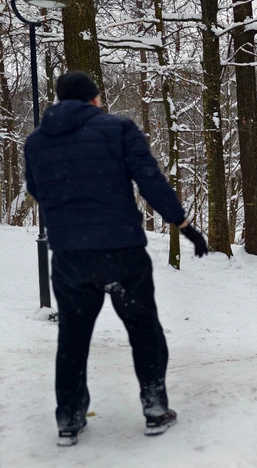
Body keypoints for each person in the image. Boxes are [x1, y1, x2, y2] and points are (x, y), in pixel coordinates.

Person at [24, 71, 209, 446]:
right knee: (144, 329)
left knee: (73, 337)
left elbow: (36, 188)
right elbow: (150, 180)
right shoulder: (118, 129)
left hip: (70, 257)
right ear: (94, 99)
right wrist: (183, 224)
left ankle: (69, 419)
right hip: (122, 251)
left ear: (59, 100)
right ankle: (155, 408)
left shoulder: (37, 141)